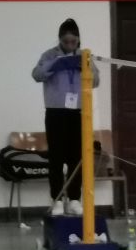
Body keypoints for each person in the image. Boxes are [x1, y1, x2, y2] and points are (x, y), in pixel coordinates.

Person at [31, 18, 100, 216]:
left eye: (73, 41)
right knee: (56, 158)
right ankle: (57, 199)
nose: (70, 45)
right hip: (56, 113)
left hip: (78, 113)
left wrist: (85, 67)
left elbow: (96, 81)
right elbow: (36, 75)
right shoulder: (49, 55)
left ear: (78, 40)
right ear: (60, 40)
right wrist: (55, 64)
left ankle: (75, 199)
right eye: (66, 41)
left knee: (76, 158)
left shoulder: (85, 55)